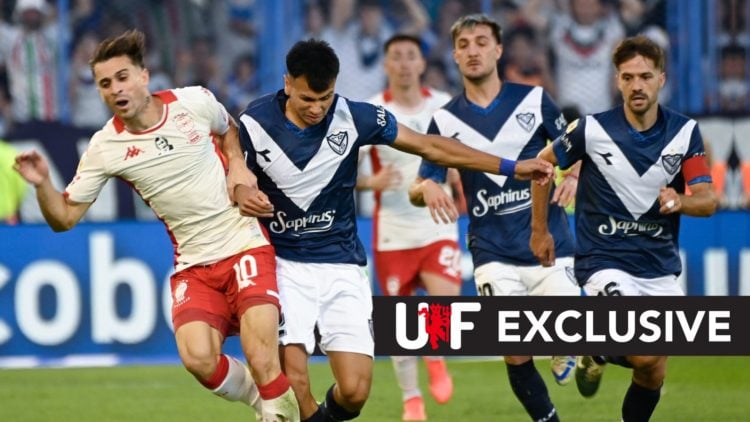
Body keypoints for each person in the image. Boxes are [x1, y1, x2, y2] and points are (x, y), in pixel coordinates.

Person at [232, 38, 554, 422]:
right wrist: (240, 192)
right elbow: (229, 170)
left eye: (325, 98)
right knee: (295, 382)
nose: (317, 108)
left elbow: (432, 147)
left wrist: (511, 167)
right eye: (307, 99)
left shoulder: (355, 116)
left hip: (342, 265)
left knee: (354, 392)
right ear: (287, 85)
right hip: (282, 264)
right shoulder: (254, 124)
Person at [13, 29, 299, 422]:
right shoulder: (104, 148)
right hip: (194, 265)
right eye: (105, 84)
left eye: (123, 77)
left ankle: (275, 407)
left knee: (262, 356)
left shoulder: (194, 102)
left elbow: (228, 129)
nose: (116, 89)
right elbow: (64, 219)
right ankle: (269, 406)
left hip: (244, 243)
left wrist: (237, 166)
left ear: (144, 76)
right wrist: (43, 183)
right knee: (198, 358)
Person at [529, 35, 718, 422]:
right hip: (605, 260)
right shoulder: (590, 130)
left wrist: (680, 200)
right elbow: (540, 167)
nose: (636, 85)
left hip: (659, 265)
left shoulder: (684, 134)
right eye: (628, 77)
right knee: (643, 349)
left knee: (653, 369)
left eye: (645, 76)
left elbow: (708, 199)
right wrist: (540, 231)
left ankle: (597, 350)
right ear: (617, 80)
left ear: (661, 79)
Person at [408, 14, 580, 422]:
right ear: (453, 54)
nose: (473, 51)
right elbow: (418, 186)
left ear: (498, 50)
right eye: (464, 44)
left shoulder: (535, 101)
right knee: (515, 348)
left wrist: (573, 172)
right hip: (492, 251)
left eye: (481, 42)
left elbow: (576, 145)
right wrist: (427, 187)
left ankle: (576, 349)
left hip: (550, 243)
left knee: (570, 330)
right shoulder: (445, 121)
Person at [357, 34, 460, 421]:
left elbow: (462, 154)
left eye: (410, 56)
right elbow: (342, 172)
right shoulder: (371, 110)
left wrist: (457, 174)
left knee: (444, 311)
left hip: (437, 223)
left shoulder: (444, 106)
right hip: (393, 231)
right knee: (400, 320)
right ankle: (411, 400)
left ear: (421, 64)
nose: (403, 63)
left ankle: (435, 353)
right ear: (385, 65)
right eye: (395, 56)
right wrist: (370, 182)